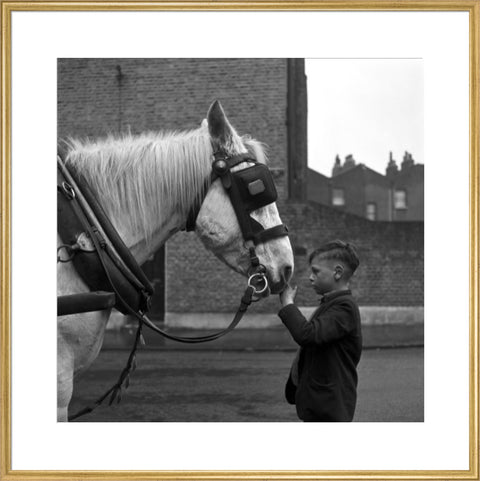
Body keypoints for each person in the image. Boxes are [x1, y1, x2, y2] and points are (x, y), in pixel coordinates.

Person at [278, 240, 362, 422]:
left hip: (330, 407)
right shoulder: (332, 303)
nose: (310, 277)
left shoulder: (344, 308)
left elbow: (307, 335)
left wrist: (288, 304)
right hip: (320, 404)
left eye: (316, 271)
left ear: (338, 273)